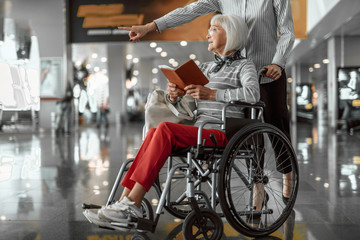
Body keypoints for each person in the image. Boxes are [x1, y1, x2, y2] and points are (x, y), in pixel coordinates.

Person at [84, 14, 260, 228]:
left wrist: (212, 95)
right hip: (199, 127)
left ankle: (132, 203)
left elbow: (253, 94)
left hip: (221, 131)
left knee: (165, 129)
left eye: (214, 29)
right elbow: (189, 104)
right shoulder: (206, 68)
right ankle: (123, 202)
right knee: (153, 133)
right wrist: (174, 96)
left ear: (231, 34)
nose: (207, 34)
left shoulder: (244, 66)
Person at [119, 0, 295, 202]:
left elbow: (287, 32)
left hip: (266, 70)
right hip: (232, 71)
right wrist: (151, 26)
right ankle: (257, 186)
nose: (208, 34)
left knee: (277, 124)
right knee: (249, 135)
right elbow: (189, 11)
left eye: (213, 29)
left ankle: (287, 174)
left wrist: (278, 62)